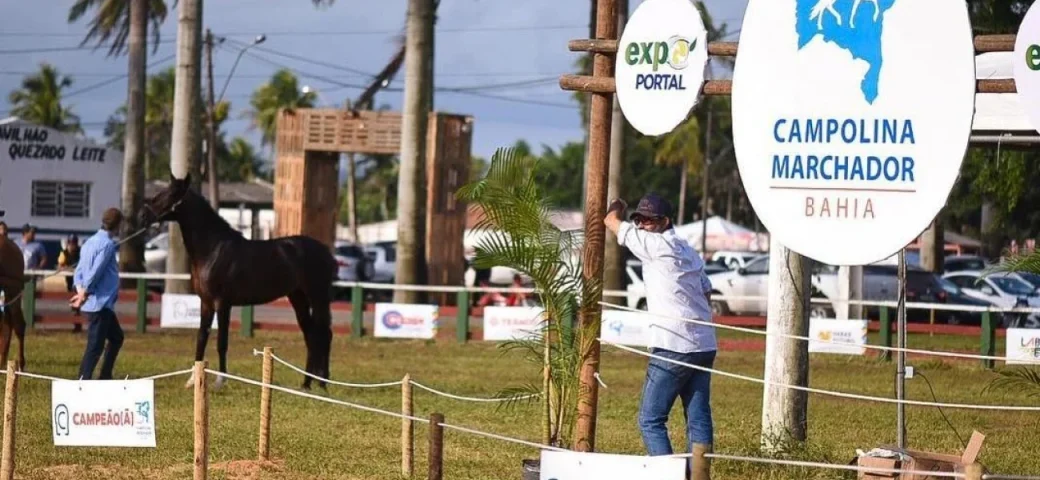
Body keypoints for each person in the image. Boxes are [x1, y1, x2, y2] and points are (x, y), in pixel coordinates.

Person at [603, 193, 718, 480]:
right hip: (703, 342)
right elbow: (706, 290)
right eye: (638, 219)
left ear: (664, 222)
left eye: (649, 220)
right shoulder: (686, 248)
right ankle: (699, 476)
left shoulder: (654, 245)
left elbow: (610, 220)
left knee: (650, 420)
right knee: (697, 417)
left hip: (672, 344)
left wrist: (619, 202)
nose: (641, 225)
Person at [70, 208, 125, 380]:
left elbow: (78, 270)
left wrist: (79, 289)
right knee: (95, 346)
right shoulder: (107, 245)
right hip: (99, 303)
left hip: (100, 303)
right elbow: (96, 271)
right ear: (117, 225)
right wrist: (85, 292)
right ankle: (82, 381)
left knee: (116, 337)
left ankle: (105, 376)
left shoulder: (88, 242)